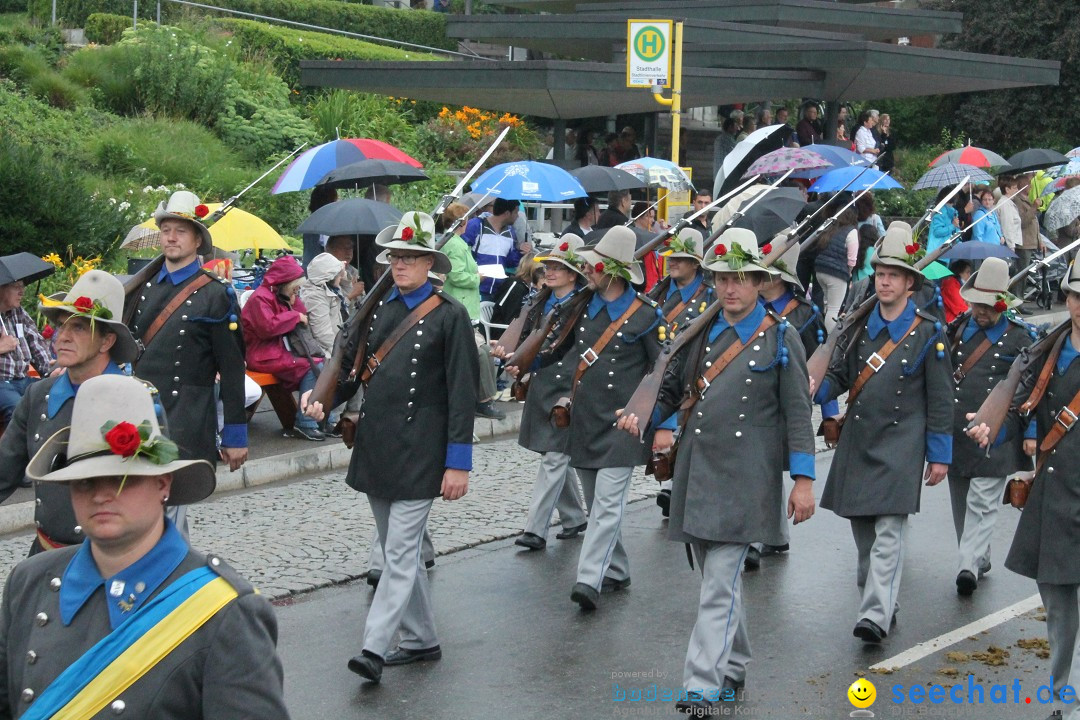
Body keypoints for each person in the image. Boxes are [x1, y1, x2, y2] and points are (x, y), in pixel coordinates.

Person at [1, 374, 289, 719]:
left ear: (162, 484)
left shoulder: (226, 611)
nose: (101, 493)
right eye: (85, 480)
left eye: (123, 477)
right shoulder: (28, 581)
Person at [616, 227, 816, 712]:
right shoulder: (699, 331)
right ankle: (736, 658)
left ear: (760, 282)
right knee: (715, 580)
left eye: (742, 278)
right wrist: (643, 415)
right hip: (698, 468)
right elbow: (672, 389)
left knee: (719, 583)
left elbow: (796, 414)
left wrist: (804, 481)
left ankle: (702, 684)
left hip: (747, 476)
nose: (731, 287)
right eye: (723, 277)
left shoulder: (781, 338)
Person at [302, 211, 477, 683]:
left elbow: (462, 394)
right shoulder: (379, 309)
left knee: (399, 554)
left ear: (430, 264)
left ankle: (374, 647)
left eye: (411, 258)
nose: (400, 266)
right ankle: (421, 639)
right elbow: (355, 371)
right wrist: (322, 401)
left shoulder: (450, 315)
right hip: (378, 444)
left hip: (422, 450)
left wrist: (458, 463)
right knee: (397, 549)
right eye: (395, 258)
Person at [507, 227, 664, 611]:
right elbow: (558, 348)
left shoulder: (645, 314)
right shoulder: (579, 305)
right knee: (598, 507)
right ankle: (617, 569)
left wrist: (662, 424)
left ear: (614, 271)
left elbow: (661, 368)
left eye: (594, 265)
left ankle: (588, 577)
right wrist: (526, 364)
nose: (587, 270)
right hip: (585, 417)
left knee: (608, 506)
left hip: (623, 422)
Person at [813, 221, 953, 644]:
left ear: (910, 282)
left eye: (894, 274)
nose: (885, 280)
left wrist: (940, 454)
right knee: (865, 534)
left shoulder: (929, 332)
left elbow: (942, 398)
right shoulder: (857, 325)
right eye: (880, 273)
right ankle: (882, 601)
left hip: (903, 442)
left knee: (890, 530)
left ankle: (874, 614)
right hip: (860, 438)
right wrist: (812, 387)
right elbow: (837, 374)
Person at [967, 259, 1080, 720]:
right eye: (1076, 296)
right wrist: (994, 426)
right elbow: (1021, 403)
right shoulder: (1051, 348)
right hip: (1056, 491)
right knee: (1057, 605)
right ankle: (1062, 696)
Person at [0, 270, 140, 554]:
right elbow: (4, 470)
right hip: (45, 554)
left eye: (78, 328)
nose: (62, 337)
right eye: (62, 326)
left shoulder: (135, 399)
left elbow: (150, 499)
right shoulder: (38, 395)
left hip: (112, 562)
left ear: (106, 341)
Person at [129, 190, 248, 472]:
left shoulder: (216, 294)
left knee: (175, 508)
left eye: (180, 231)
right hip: (138, 417)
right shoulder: (140, 289)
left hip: (187, 420)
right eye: (166, 230)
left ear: (197, 240)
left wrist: (235, 434)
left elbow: (232, 368)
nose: (171, 237)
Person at [945, 258, 1035, 596]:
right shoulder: (956, 330)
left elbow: (1031, 390)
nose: (980, 311)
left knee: (982, 501)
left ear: (1002, 303)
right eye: (976, 303)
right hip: (956, 429)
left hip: (997, 431)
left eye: (987, 304)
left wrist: (1029, 433)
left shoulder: (1021, 338)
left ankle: (967, 563)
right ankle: (977, 557)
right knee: (960, 501)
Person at [505, 238, 589, 551]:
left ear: (574, 274)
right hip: (542, 383)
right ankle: (574, 516)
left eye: (559, 267)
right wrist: (517, 361)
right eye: (549, 266)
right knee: (553, 455)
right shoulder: (541, 301)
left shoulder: (585, 306)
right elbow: (529, 340)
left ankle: (535, 529)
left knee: (555, 457)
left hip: (568, 388)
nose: (550, 271)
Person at [241, 254, 325, 441]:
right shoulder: (260, 298)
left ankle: (317, 419)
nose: (297, 290)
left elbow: (302, 315)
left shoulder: (280, 295)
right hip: (262, 353)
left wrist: (294, 303)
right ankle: (306, 422)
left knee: (320, 365)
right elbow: (267, 328)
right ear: (286, 283)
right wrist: (294, 316)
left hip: (276, 351)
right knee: (313, 367)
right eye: (295, 286)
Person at [436, 203, 502, 421]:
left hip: (467, 304)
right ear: (462, 222)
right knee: (481, 352)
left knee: (484, 351)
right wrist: (478, 278)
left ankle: (485, 399)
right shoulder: (454, 245)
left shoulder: (456, 242)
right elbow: (456, 276)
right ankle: (484, 401)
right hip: (461, 302)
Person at [0, 270, 53, 425]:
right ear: (1, 288)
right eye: (16, 286)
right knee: (18, 411)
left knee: (52, 398)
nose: (22, 291)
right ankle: (12, 449)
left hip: (23, 379)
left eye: (22, 286)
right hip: (2, 382)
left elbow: (35, 341)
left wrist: (49, 370)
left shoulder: (18, 313)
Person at [463, 198, 529, 300]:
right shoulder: (476, 225)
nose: (517, 217)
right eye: (516, 212)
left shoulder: (510, 232)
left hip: (498, 291)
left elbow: (508, 262)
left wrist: (520, 252)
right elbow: (462, 253)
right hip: (476, 289)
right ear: (507, 213)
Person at [813, 207, 858, 331]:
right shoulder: (851, 231)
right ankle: (829, 341)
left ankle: (821, 334)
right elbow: (852, 259)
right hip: (837, 273)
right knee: (834, 309)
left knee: (827, 305)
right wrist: (849, 273)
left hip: (820, 270)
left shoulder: (830, 228)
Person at [302, 185, 338, 268]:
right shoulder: (326, 223)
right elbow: (327, 248)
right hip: (321, 272)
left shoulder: (310, 221)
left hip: (308, 267)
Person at [927, 186, 961, 255]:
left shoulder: (953, 213)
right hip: (936, 252)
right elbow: (937, 232)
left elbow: (956, 233)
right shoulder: (940, 212)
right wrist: (953, 226)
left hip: (946, 252)